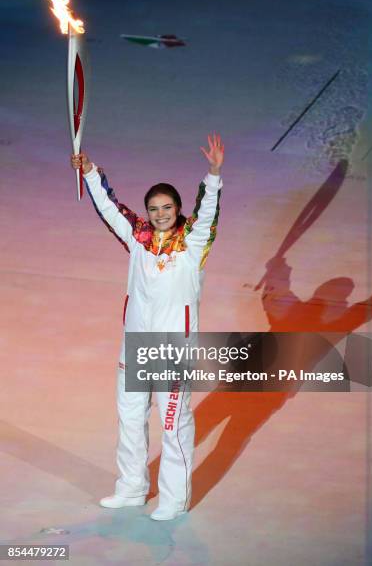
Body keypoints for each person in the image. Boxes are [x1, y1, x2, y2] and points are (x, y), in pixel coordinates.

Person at [70, 134, 224, 520]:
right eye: (154, 208)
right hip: (135, 346)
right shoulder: (137, 238)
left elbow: (208, 213)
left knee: (173, 426)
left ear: (177, 208)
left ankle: (173, 500)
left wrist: (214, 174)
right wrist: (89, 173)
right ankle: (132, 489)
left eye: (167, 207)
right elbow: (110, 209)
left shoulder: (193, 243)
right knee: (131, 420)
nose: (160, 214)